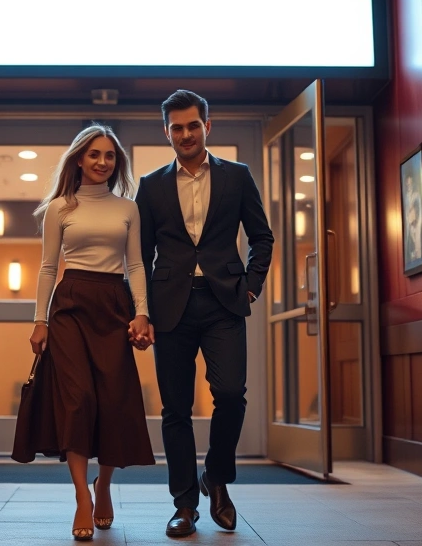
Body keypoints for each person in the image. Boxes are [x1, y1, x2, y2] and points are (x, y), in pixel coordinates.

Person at [134, 89, 274, 537]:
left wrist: (250, 288)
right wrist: (140, 309)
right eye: (177, 127)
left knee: (231, 393)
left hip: (223, 302)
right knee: (175, 408)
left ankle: (216, 476)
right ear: (167, 132)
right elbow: (139, 254)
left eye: (193, 125)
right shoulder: (151, 186)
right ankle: (185, 505)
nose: (186, 133)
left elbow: (262, 237)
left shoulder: (237, 176)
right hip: (169, 307)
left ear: (207, 127)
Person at [28, 124, 156, 541]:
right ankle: (82, 494)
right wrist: (40, 320)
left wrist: (141, 313)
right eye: (94, 154)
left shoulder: (128, 208)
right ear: (79, 158)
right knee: (78, 399)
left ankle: (104, 485)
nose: (103, 162)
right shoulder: (60, 207)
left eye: (110, 156)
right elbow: (49, 267)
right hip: (69, 307)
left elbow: (135, 265)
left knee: (113, 402)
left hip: (113, 305)